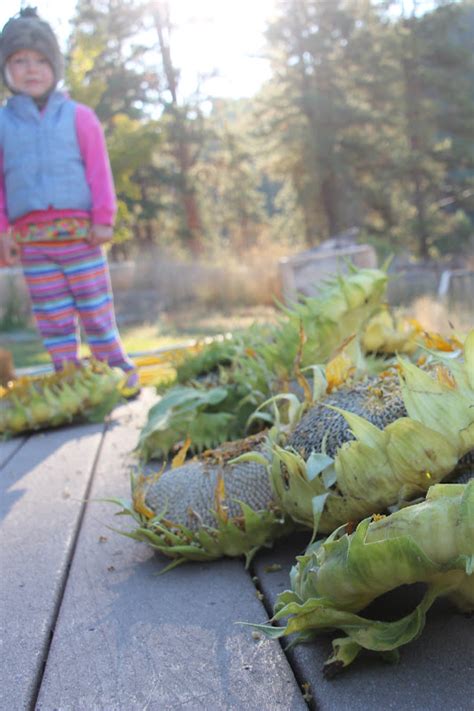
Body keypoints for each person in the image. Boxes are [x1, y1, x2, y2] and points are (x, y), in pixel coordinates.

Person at [0, 7, 139, 396]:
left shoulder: (79, 117)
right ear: (6, 69)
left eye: (41, 61)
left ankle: (117, 375)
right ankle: (71, 383)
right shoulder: (2, 125)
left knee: (95, 312)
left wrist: (104, 217)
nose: (31, 69)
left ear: (55, 66)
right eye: (19, 61)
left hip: (83, 239)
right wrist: (2, 234)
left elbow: (99, 170)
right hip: (34, 246)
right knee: (53, 319)